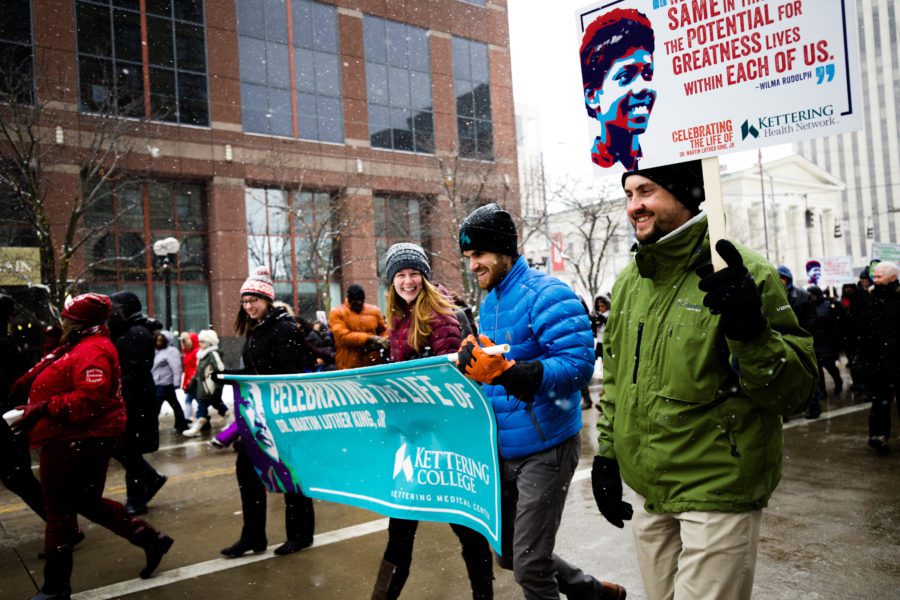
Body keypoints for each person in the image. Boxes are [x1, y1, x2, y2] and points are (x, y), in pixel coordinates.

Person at [594, 161, 817, 600]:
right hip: (649, 491)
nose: (633, 206)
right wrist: (607, 453)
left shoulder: (743, 272)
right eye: (628, 195)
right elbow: (618, 380)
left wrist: (753, 332)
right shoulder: (628, 282)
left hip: (717, 488)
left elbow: (793, 390)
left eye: (646, 191)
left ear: (685, 195)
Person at [455, 203, 625, 600]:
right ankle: (593, 593)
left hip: (546, 447)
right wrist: (472, 356)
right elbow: (499, 360)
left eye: (478, 255)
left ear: (503, 251)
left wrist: (516, 373)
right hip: (506, 449)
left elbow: (578, 366)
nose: (473, 265)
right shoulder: (492, 300)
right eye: (469, 257)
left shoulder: (548, 294)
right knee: (510, 553)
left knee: (530, 566)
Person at [10, 293, 173, 598]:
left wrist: (42, 409)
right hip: (73, 436)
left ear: (78, 322)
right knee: (85, 501)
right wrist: (51, 349)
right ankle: (151, 540)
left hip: (75, 437)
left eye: (66, 317)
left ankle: (56, 587)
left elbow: (90, 399)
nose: (61, 321)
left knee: (59, 509)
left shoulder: (94, 348)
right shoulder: (78, 345)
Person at [370, 243, 494, 600]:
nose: (408, 281)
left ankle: (486, 595)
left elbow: (449, 378)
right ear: (391, 281)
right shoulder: (398, 314)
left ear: (424, 277)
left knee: (467, 527)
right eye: (400, 275)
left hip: (447, 439)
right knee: (401, 527)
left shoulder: (441, 313)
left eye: (414, 274)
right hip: (415, 436)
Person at [220, 266, 315, 558]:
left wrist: (276, 400)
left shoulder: (283, 327)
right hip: (258, 413)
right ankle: (253, 536)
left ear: (267, 300)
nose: (249, 306)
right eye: (245, 301)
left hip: (282, 413)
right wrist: (229, 376)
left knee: (290, 474)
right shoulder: (257, 328)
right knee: (246, 471)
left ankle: (300, 535)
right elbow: (255, 369)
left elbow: (292, 373)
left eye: (254, 301)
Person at [108, 292, 168, 517]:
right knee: (124, 449)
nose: (111, 312)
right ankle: (151, 479)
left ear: (126, 309)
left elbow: (135, 370)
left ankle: (136, 498)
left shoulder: (136, 333)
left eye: (114, 307)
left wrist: (118, 389)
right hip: (131, 399)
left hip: (136, 401)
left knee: (128, 449)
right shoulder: (126, 331)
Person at [580, 8, 657, 171]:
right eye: (626, 75)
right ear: (592, 96)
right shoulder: (591, 168)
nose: (643, 87)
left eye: (647, 74)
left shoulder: (658, 157)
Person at [0, 293, 46, 520]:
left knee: (18, 477)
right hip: (10, 417)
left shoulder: (6, 345)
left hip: (8, 419)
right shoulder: (10, 344)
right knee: (18, 476)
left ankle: (62, 525)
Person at [861, 261, 900, 454]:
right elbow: (864, 330)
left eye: (879, 276)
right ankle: (878, 435)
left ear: (893, 277)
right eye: (874, 276)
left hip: (897, 359)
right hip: (879, 361)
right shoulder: (870, 298)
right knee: (880, 400)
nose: (874, 280)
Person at [805, 286, 845, 418]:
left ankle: (838, 382)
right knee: (818, 370)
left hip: (826, 342)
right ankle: (822, 391)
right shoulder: (809, 307)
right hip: (815, 342)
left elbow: (835, 324)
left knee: (830, 366)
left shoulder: (829, 305)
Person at [329, 284, 388, 369]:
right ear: (349, 300)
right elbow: (342, 336)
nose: (359, 303)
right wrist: (369, 338)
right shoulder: (337, 313)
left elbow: (384, 330)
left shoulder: (374, 311)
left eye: (361, 300)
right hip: (348, 364)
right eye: (356, 301)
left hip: (372, 362)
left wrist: (384, 339)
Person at [183, 329, 228, 437]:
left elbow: (220, 369)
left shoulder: (212, 354)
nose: (200, 344)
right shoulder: (201, 354)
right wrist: (192, 382)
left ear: (210, 343)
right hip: (203, 387)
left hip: (210, 387)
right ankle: (231, 419)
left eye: (203, 342)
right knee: (209, 405)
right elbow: (198, 371)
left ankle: (232, 420)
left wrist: (217, 387)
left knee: (213, 405)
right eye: (200, 341)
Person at [839, 282, 869, 393]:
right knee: (852, 362)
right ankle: (857, 382)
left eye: (849, 287)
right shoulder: (842, 301)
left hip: (858, 336)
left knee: (859, 362)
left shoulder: (859, 298)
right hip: (848, 337)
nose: (848, 289)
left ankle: (863, 384)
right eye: (845, 287)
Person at [180, 331, 199, 421]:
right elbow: (187, 370)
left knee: (189, 400)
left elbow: (197, 368)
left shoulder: (196, 352)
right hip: (191, 381)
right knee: (199, 401)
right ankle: (200, 418)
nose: (183, 344)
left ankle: (188, 419)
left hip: (194, 381)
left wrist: (191, 380)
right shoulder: (187, 352)